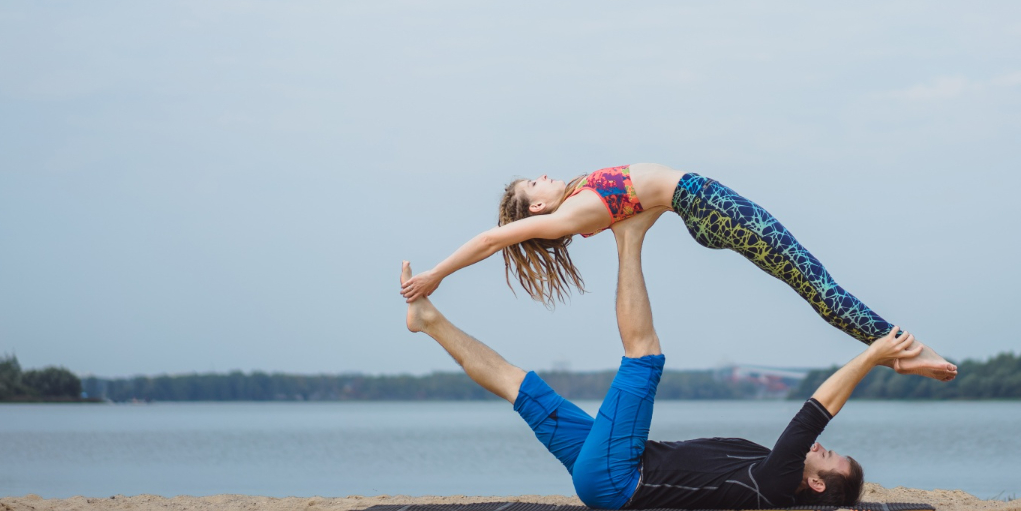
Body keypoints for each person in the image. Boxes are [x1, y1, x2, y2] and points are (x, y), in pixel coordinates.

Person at [398, 215, 923, 511]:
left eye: (832, 459)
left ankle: (628, 236)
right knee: (524, 389)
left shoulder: (775, 481)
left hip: (617, 478)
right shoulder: (763, 465)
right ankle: (430, 321)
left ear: (814, 484)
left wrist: (873, 354)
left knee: (644, 358)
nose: (825, 450)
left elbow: (815, 411)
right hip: (612, 464)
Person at [400, 163, 957, 381]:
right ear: (538, 208)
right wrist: (436, 274)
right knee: (816, 283)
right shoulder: (567, 214)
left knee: (811, 282)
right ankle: (907, 351)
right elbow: (494, 239)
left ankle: (901, 350)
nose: (542, 177)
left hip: (694, 208)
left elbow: (636, 200)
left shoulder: (575, 201)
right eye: (533, 186)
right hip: (708, 205)